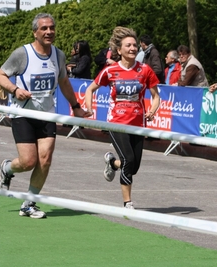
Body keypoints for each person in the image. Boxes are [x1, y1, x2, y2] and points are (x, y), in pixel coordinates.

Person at [0, 13, 89, 219]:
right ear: (35, 32)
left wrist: (76, 106)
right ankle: (8, 168)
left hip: (47, 115)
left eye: (52, 28)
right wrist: (14, 89)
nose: (49, 32)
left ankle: (29, 203)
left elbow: (63, 82)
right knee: (28, 162)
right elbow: (0, 76)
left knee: (44, 159)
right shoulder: (22, 54)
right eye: (44, 28)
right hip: (23, 113)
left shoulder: (59, 55)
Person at [85, 26, 160, 209]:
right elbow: (90, 89)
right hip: (116, 123)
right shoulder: (110, 71)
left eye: (135, 45)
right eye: (128, 45)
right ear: (119, 50)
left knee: (133, 166)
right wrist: (89, 107)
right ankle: (128, 202)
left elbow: (156, 96)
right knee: (128, 160)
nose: (133, 48)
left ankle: (112, 162)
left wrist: (152, 111)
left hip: (137, 123)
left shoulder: (145, 70)